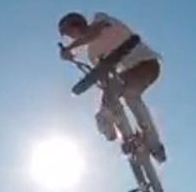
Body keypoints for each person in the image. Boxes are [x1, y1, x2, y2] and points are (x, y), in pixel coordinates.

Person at [58, 11, 166, 162]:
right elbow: (104, 77)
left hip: (146, 64)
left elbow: (93, 33)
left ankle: (153, 142)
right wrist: (106, 101)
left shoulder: (100, 19)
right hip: (126, 74)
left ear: (77, 24)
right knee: (107, 103)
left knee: (130, 95)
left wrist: (69, 49)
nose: (69, 37)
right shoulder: (92, 53)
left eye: (68, 31)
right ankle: (123, 135)